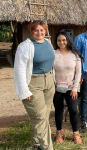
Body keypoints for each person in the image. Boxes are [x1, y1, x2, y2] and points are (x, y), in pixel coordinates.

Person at [14, 20, 55, 150]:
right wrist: (23, 90)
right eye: (36, 30)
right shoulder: (25, 46)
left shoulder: (48, 43)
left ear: (45, 31)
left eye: (42, 30)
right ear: (31, 31)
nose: (39, 32)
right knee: (40, 116)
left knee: (43, 116)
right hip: (33, 83)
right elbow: (19, 69)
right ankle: (47, 147)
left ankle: (36, 144)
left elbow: (51, 64)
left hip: (48, 82)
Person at [53, 31, 82, 143]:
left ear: (68, 41)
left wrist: (75, 88)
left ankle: (76, 133)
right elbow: (51, 71)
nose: (61, 42)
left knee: (73, 110)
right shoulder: (54, 54)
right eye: (59, 40)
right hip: (57, 88)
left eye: (64, 40)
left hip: (71, 89)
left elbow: (78, 73)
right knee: (58, 110)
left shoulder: (75, 55)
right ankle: (59, 132)